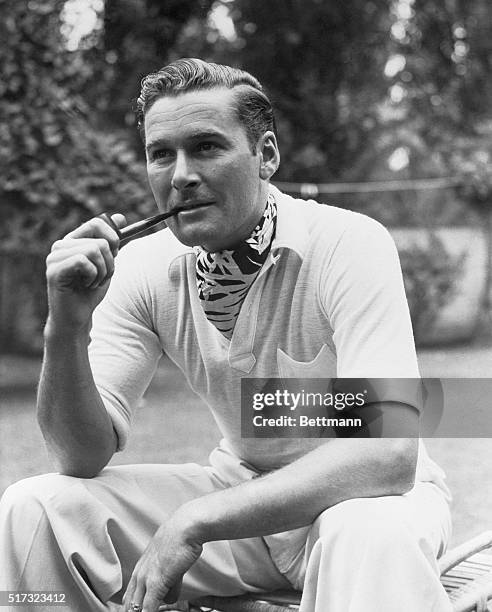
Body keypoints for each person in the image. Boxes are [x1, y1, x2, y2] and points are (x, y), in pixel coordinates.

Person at [0, 58, 452, 612]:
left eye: (207, 147)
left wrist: (195, 521)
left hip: (369, 500)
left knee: (368, 534)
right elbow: (78, 457)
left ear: (266, 155)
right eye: (161, 153)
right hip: (242, 507)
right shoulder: (141, 268)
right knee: (36, 506)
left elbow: (388, 454)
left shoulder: (350, 244)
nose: (181, 174)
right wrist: (64, 326)